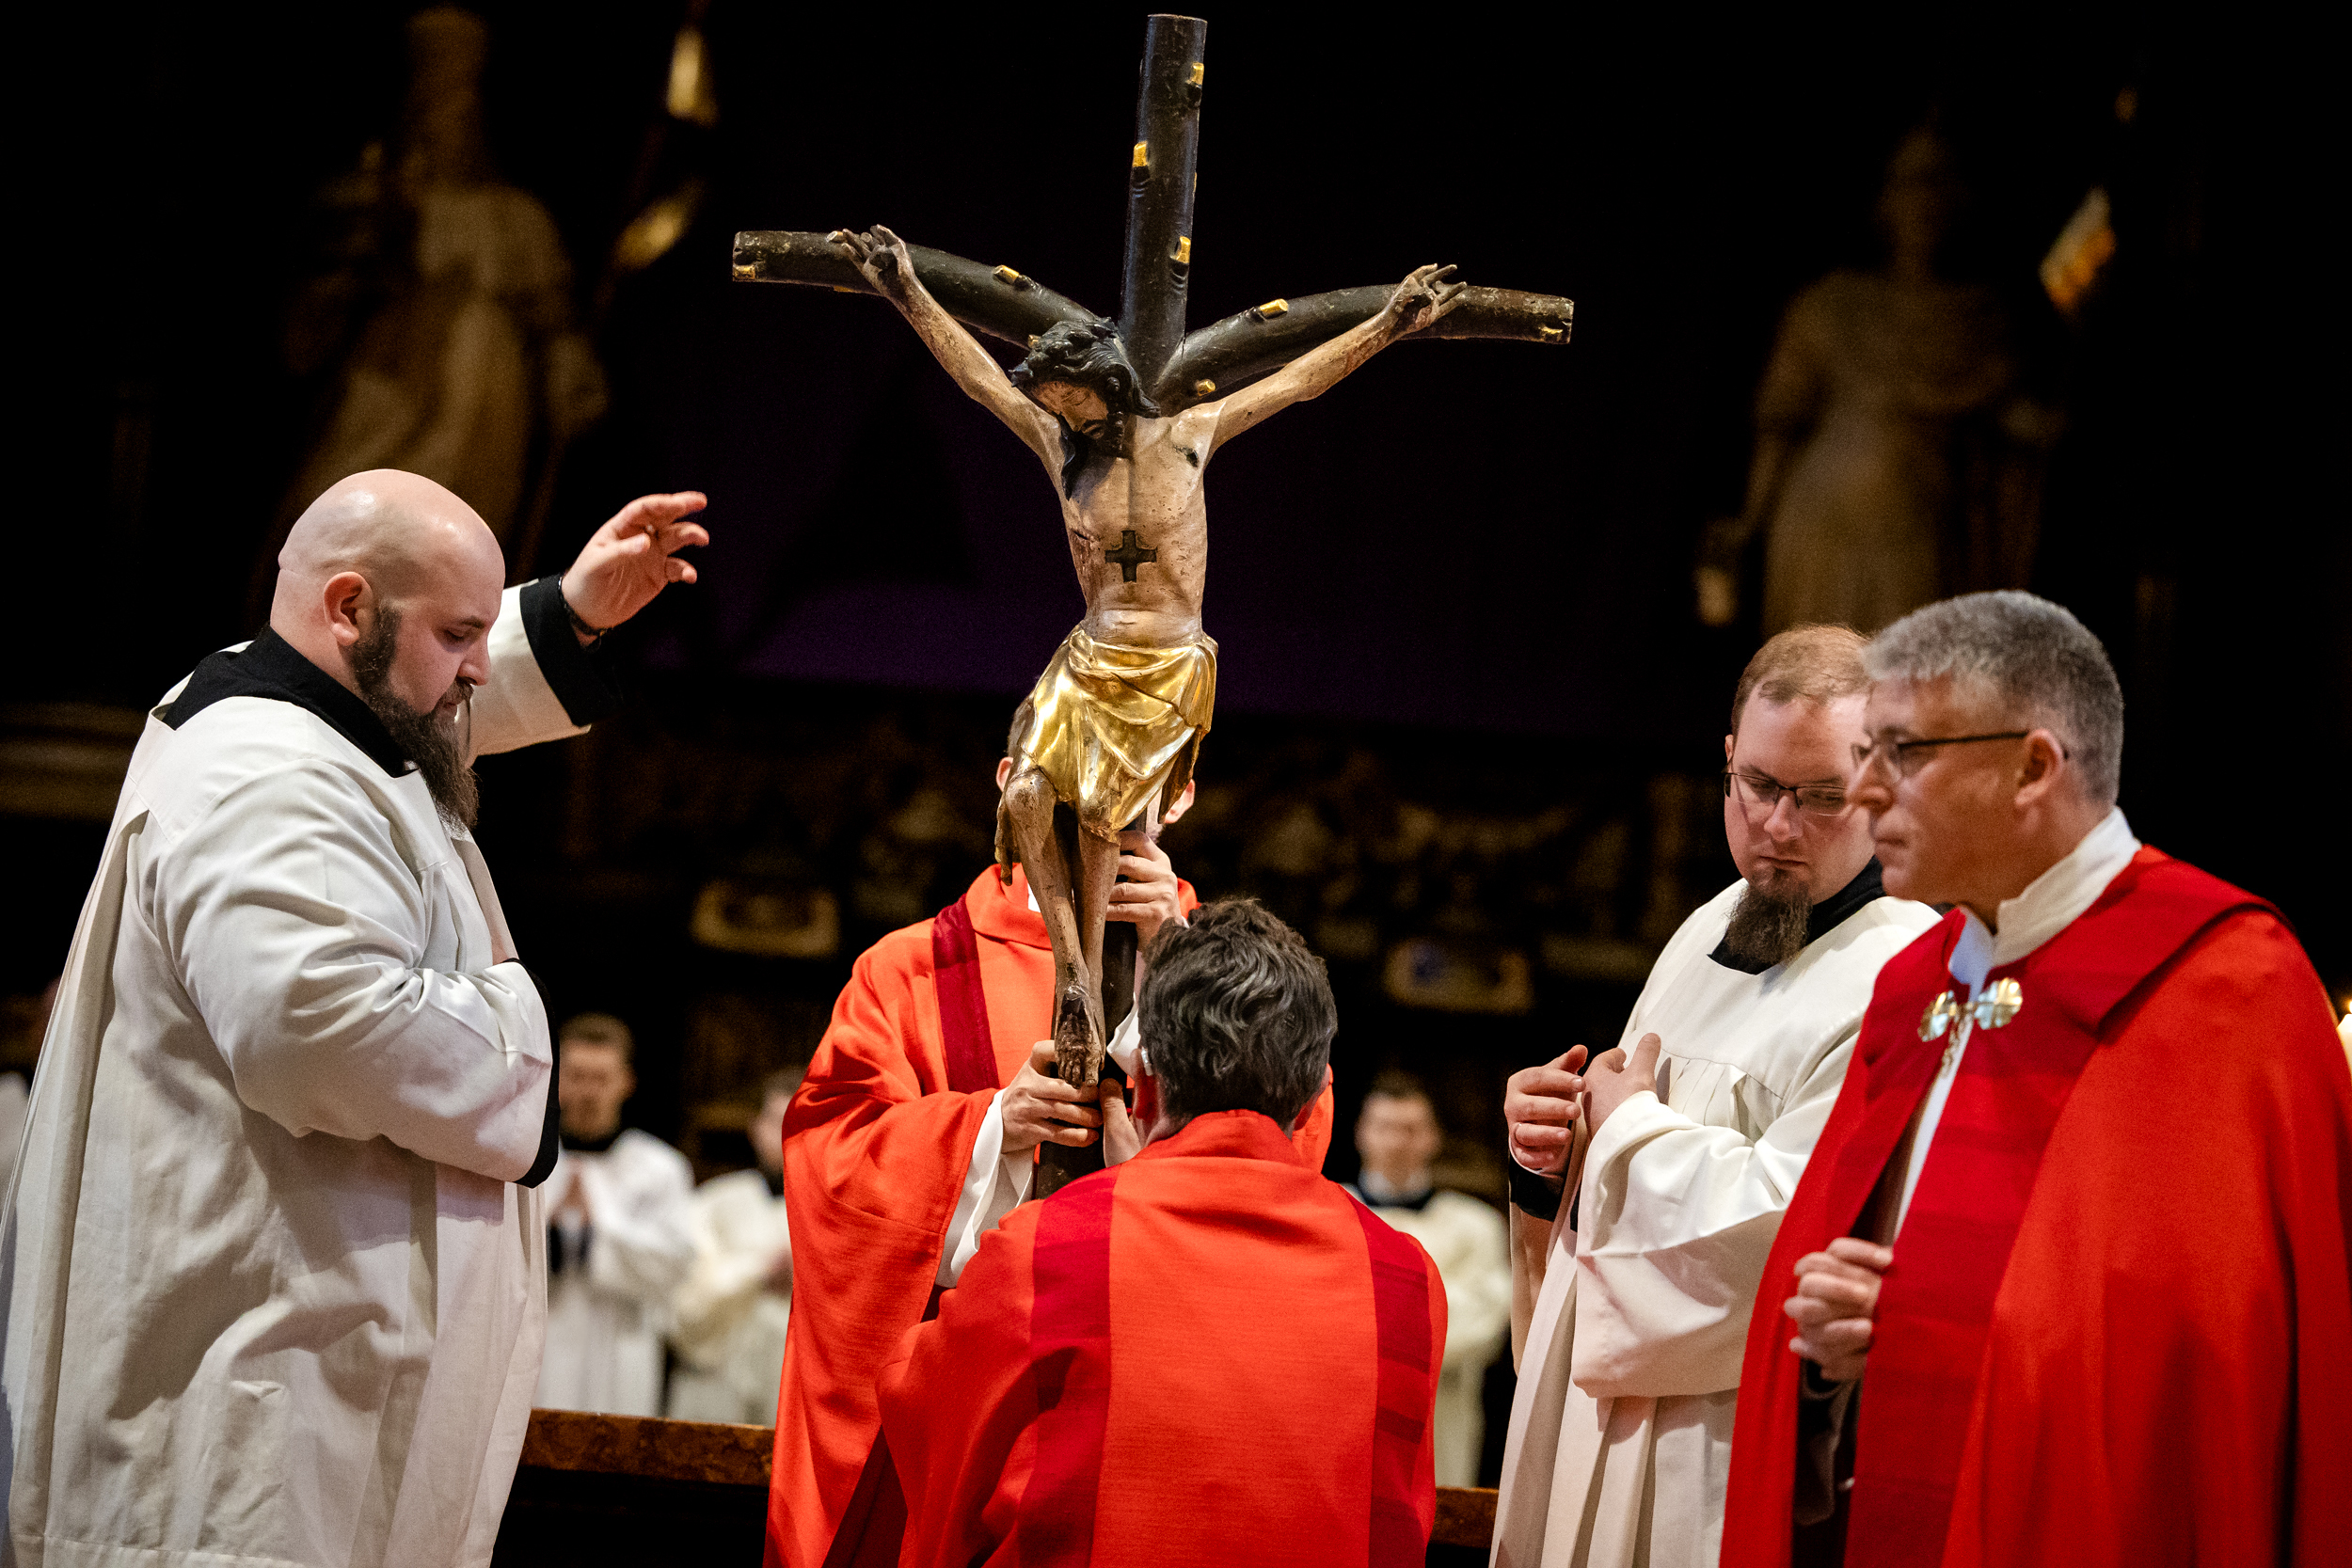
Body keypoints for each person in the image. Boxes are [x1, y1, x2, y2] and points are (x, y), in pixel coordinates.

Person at [0, 468, 708, 1567]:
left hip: (293, 1377)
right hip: (246, 1418)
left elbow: (427, 706)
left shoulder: (318, 718)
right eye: (458, 631)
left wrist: (566, 612)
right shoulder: (267, 771)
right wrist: (517, 1019)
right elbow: (317, 1024)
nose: (477, 667)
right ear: (347, 607)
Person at [1721, 592, 2352, 1567]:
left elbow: (2214, 1376)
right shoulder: (1913, 990)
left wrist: (1928, 1332)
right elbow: (1835, 1317)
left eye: (1902, 753)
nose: (1866, 790)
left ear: (2032, 766)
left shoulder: (2228, 991)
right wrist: (1830, 1372)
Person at [833, 225, 1464, 1079]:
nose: (1054, 411)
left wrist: (1390, 322)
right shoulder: (1061, 447)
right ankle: (1077, 979)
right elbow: (979, 380)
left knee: (1102, 811)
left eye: (1064, 398)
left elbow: (1298, 381)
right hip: (1091, 651)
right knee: (1027, 790)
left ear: (1101, 386)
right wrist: (907, 292)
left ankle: (1092, 973)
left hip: (1166, 662)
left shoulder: (1190, 434)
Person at [768, 733, 1338, 1568]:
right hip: (969, 1382)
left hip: (1160, 1384)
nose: (1101, 802)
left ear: (1178, 793)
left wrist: (1180, 963)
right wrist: (993, 1128)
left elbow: (1286, 1159)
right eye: (1073, 769)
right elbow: (830, 1158)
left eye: (1135, 775)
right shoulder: (912, 968)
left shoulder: (1250, 987)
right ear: (1011, 782)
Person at [1493, 626, 1940, 1568]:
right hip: (1598, 1413)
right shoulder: (1707, 923)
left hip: (1716, 1438)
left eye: (1821, 796)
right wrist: (1557, 1149)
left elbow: (1783, 1233)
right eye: (1759, 785)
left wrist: (1625, 1128)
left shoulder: (1903, 968)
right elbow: (1615, 1178)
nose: (1777, 824)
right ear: (1728, 759)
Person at [877, 900, 1446, 1565]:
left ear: (1143, 1086)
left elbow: (924, 1414)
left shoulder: (1043, 1251)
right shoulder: (1405, 1278)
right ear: (1319, 1093)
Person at [1349, 1072, 1511, 1487]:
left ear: (1433, 1138)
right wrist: (1432, 1303)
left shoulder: (1476, 1225)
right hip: (1347, 1410)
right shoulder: (1333, 1212)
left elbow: (1483, 1324)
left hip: (1441, 1417)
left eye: (1410, 1129)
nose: (1396, 1142)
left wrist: (1368, 1320)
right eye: (1384, 1127)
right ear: (1361, 1133)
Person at [534, 1012, 695, 1417]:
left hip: (621, 1344)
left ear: (626, 1082)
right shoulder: (524, 1160)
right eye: (577, 1076)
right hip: (540, 1342)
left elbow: (676, 1262)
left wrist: (599, 1229)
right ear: (556, 1080)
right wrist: (546, 1233)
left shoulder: (660, 1167)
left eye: (601, 1079)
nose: (589, 1092)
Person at [669, 1068, 803, 1425]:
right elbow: (685, 1303)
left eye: (802, 1122)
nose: (788, 1134)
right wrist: (761, 1272)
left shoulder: (839, 1214)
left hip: (792, 1395)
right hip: (715, 1384)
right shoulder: (714, 1202)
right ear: (756, 1127)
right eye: (777, 1121)